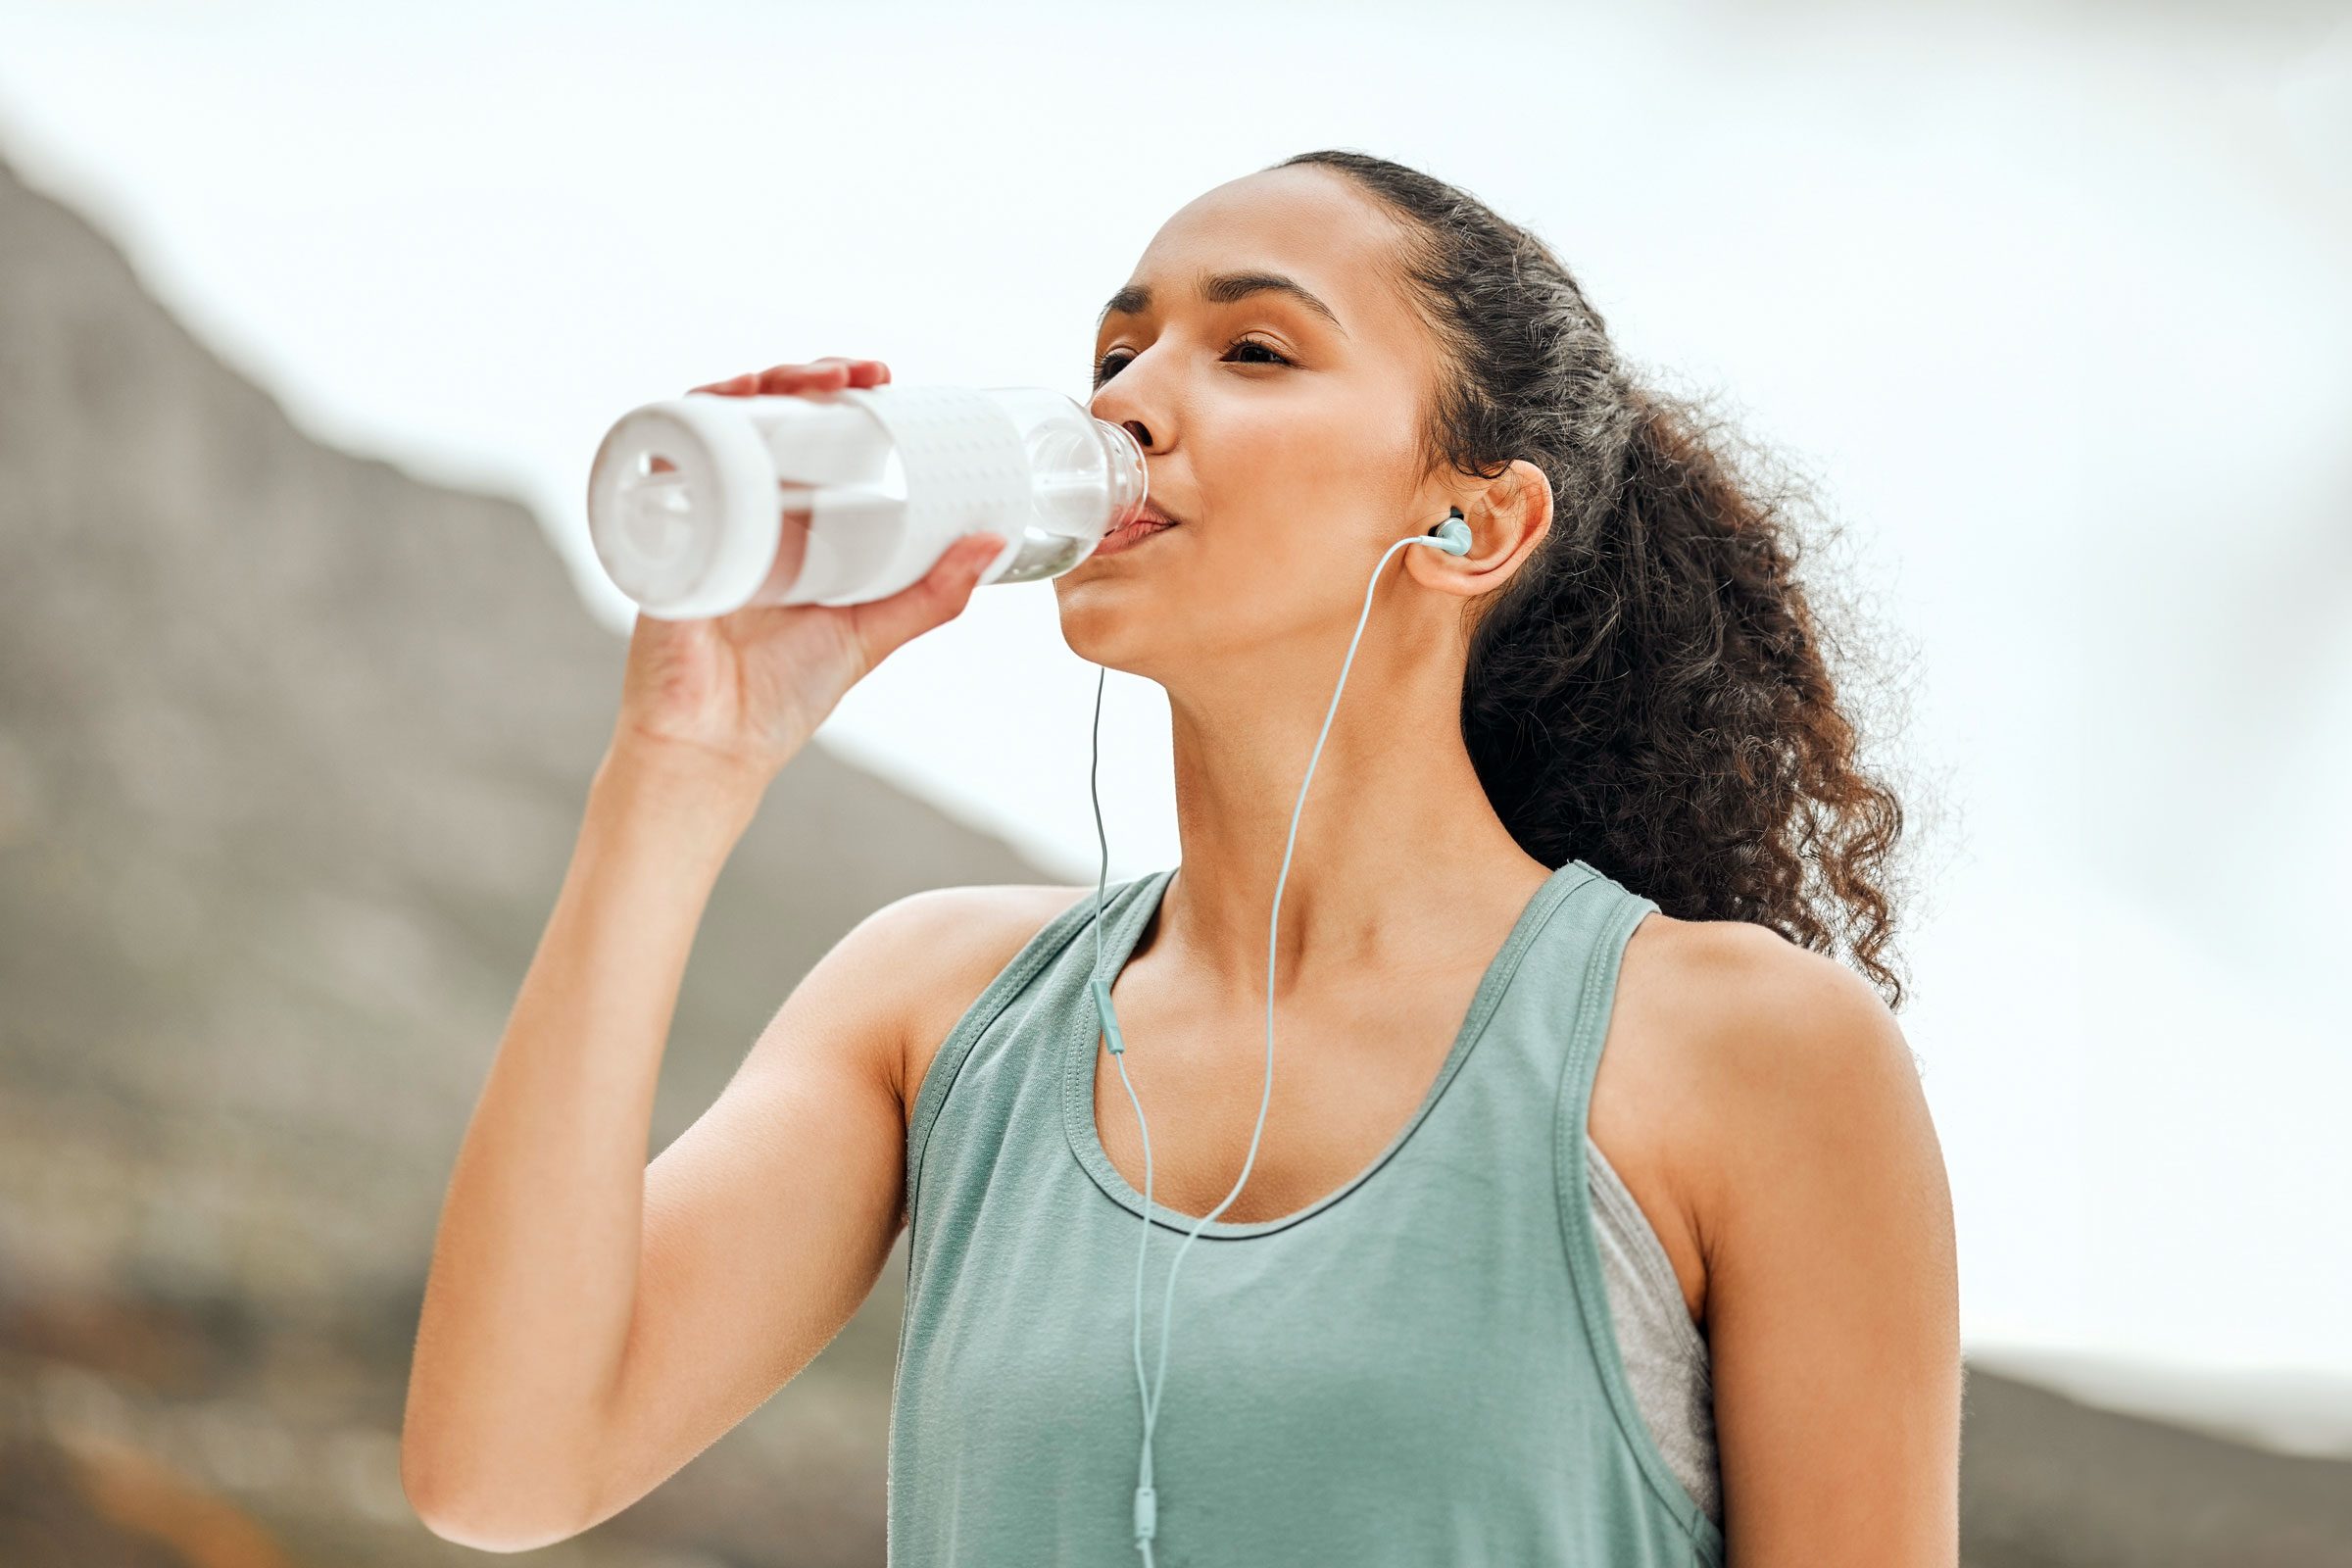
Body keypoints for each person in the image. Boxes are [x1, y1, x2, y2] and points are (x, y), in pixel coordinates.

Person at [402, 151, 1961, 1565]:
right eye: (1115, 353)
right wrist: (683, 768)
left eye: (1255, 349)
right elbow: (503, 1468)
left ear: (1473, 524)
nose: (1127, 404)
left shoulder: (1750, 1057)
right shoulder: (936, 1013)